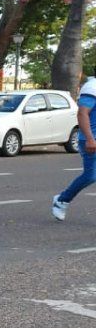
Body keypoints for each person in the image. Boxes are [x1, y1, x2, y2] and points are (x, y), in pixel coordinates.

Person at [53, 71, 96, 221]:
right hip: (91, 140)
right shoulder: (92, 87)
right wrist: (90, 139)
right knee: (91, 176)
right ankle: (62, 200)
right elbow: (82, 114)